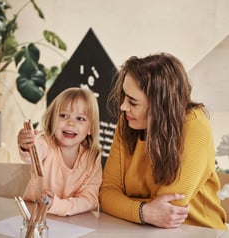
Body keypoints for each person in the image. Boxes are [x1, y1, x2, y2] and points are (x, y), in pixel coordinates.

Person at [99, 53, 227, 230]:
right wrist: (144, 211)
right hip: (139, 230)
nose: (123, 107)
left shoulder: (195, 126)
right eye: (124, 97)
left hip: (199, 232)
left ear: (160, 105)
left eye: (133, 102)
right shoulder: (128, 121)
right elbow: (106, 194)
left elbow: (169, 208)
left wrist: (126, 205)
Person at [17, 87, 102, 216]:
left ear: (90, 128)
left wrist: (56, 205)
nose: (71, 123)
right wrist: (27, 145)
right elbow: (33, 154)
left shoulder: (92, 157)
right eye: (63, 116)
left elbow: (90, 199)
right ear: (52, 121)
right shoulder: (45, 142)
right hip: (34, 215)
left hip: (73, 223)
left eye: (80, 119)